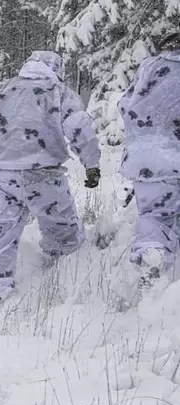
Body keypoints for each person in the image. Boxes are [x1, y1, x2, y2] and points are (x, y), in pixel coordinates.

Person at [0, 51, 101, 314]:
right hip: (44, 174)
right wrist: (91, 165)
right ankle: (59, 274)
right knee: (62, 230)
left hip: (1, 175)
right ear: (56, 70)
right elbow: (81, 129)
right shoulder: (60, 92)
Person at [119, 32, 180, 286]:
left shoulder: (147, 68)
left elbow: (125, 105)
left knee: (155, 215)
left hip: (146, 159)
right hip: (173, 150)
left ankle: (151, 261)